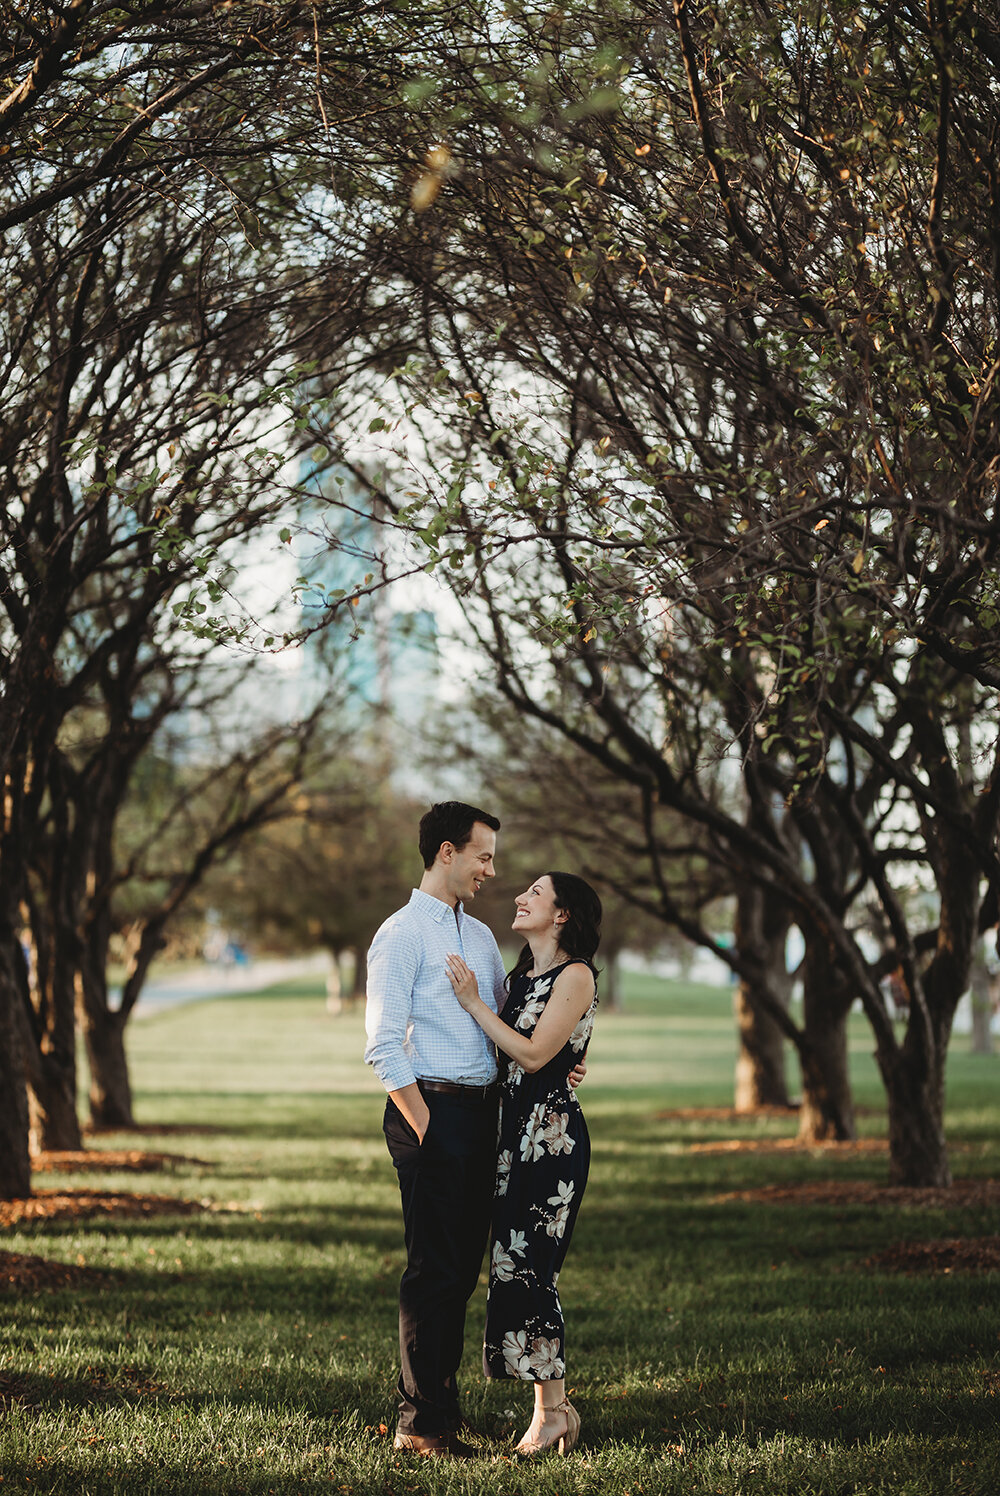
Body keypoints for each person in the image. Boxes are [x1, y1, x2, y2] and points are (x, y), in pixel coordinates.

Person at [364, 803, 584, 1460]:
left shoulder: (484, 939)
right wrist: (429, 1130)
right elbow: (381, 1047)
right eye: (483, 855)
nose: (492, 869)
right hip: (429, 1113)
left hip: (485, 1114)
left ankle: (441, 1410)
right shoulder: (402, 934)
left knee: (462, 1272)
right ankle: (421, 1426)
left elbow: (511, 1030)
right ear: (447, 853)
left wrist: (559, 1065)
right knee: (434, 1272)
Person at [445, 870, 601, 1458]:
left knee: (533, 1271)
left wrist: (472, 1004)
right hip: (514, 1138)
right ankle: (555, 1411)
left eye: (535, 893)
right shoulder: (523, 976)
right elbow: (520, 1048)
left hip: (550, 1143)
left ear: (561, 915)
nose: (520, 896)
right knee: (513, 1268)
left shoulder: (576, 974)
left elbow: (534, 1054)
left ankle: (549, 1416)